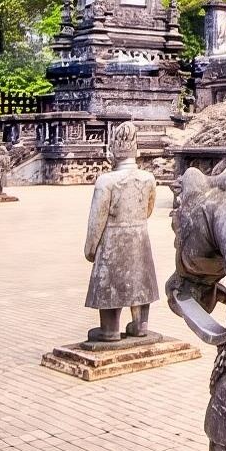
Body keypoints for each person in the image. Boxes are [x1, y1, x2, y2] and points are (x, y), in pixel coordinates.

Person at [84, 122, 159, 342]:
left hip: (113, 241)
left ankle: (110, 329)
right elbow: (148, 210)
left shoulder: (106, 181)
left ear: (113, 151)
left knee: (111, 282)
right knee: (141, 278)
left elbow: (96, 221)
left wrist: (90, 248)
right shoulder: (148, 179)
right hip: (139, 236)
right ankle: (140, 324)